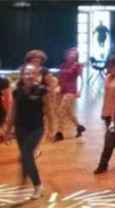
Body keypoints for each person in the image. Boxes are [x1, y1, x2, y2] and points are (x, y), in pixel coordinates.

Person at [4, 64, 48, 199]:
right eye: (26, 73)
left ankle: (38, 186)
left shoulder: (42, 90)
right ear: (22, 75)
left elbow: (49, 110)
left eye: (32, 73)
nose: (29, 76)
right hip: (20, 128)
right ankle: (24, 176)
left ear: (36, 75)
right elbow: (13, 112)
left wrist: (52, 129)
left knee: (27, 154)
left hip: (36, 129)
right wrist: (8, 130)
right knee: (24, 155)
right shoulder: (17, 91)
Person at [94, 57, 115, 174]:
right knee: (113, 139)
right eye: (108, 66)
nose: (110, 68)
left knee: (109, 138)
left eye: (112, 66)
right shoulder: (107, 77)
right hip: (108, 112)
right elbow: (106, 96)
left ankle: (103, 164)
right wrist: (104, 112)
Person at [55, 48, 85, 141]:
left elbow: (82, 79)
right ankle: (79, 126)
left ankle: (59, 133)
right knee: (69, 112)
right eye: (70, 53)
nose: (71, 55)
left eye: (74, 54)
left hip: (71, 91)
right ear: (67, 55)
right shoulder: (63, 65)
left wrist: (80, 90)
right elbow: (59, 77)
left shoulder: (77, 66)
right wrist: (57, 86)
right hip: (62, 90)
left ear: (76, 56)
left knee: (61, 111)